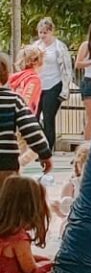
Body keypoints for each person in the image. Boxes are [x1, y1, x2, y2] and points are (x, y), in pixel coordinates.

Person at [0, 53, 51, 192]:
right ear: (6, 74)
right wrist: (44, 154)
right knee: (7, 199)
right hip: (6, 163)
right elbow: (31, 129)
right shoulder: (14, 100)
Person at [0, 175, 53, 273]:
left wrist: (44, 259)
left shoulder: (4, 231)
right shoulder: (18, 237)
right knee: (55, 272)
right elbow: (30, 269)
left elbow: (11, 259)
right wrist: (50, 264)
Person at [35, 18, 73, 152]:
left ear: (51, 32)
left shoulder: (59, 47)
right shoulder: (36, 46)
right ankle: (37, 145)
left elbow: (67, 69)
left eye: (45, 32)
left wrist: (65, 88)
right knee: (33, 116)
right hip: (38, 85)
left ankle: (47, 148)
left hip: (54, 84)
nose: (42, 36)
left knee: (48, 117)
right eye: (40, 32)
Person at [51, 140, 90, 228]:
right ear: (79, 166)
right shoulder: (72, 185)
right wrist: (58, 210)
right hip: (73, 226)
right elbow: (64, 212)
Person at [11, 45, 44, 114]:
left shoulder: (16, 77)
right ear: (36, 61)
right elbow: (26, 104)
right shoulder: (34, 79)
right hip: (23, 118)